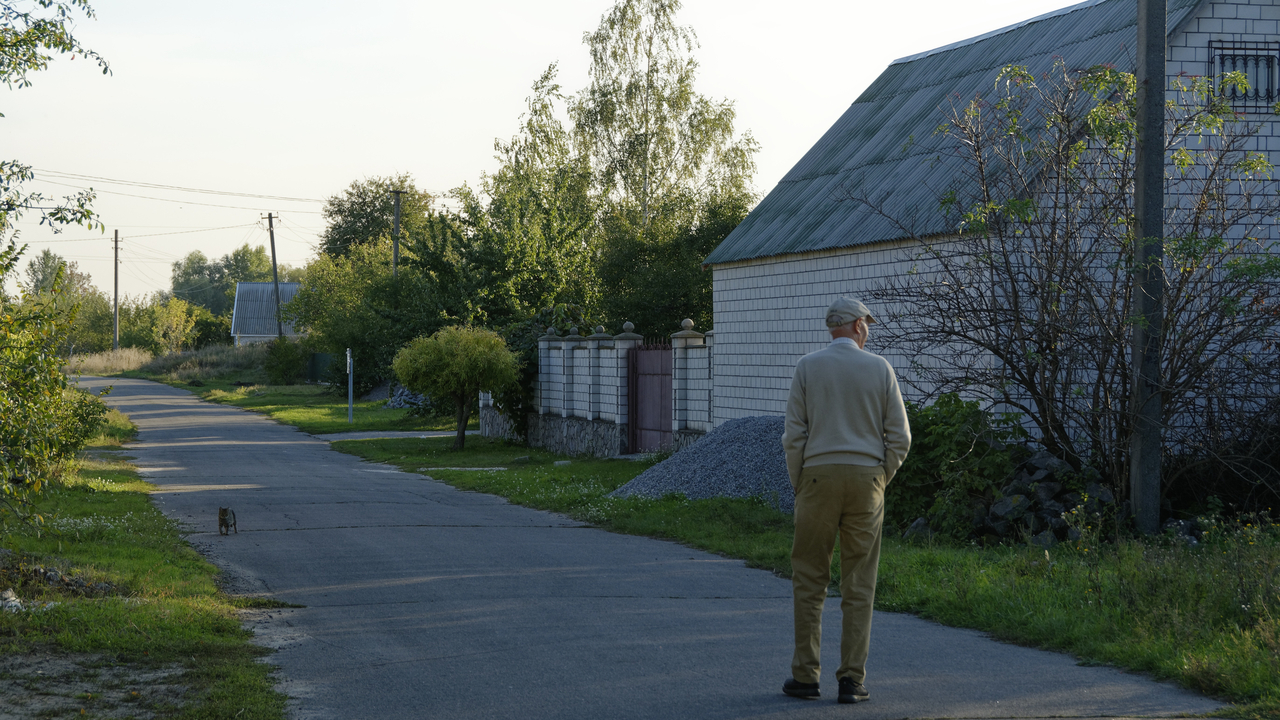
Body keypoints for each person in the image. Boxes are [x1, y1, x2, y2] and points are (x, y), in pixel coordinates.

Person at [780, 296, 911, 704]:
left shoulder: (807, 367)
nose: (868, 330)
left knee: (809, 578)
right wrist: (880, 477)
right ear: (857, 326)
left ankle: (805, 676)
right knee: (859, 582)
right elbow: (900, 437)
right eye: (866, 324)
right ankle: (851, 680)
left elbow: (793, 436)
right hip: (866, 479)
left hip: (817, 476)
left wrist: (800, 483)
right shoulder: (880, 368)